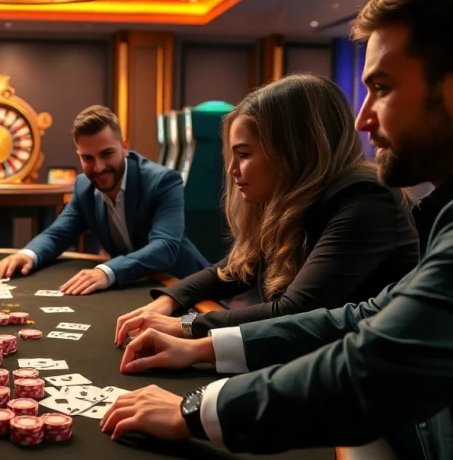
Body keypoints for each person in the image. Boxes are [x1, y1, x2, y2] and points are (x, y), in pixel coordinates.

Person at [100, 0, 453, 460]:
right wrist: (201, 345)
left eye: (380, 88)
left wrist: (195, 410)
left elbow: (371, 369)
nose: (362, 119)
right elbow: (361, 318)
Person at [115, 74, 418, 343]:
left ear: (294, 152)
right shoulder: (302, 200)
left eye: (244, 154)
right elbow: (238, 269)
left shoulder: (364, 199)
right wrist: (170, 299)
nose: (233, 170)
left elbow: (294, 311)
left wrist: (186, 324)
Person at [0, 105, 208, 295]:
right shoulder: (84, 186)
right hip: (139, 287)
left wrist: (107, 271)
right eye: (87, 158)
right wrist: (28, 254)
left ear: (125, 146)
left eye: (107, 154)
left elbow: (165, 247)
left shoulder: (162, 181)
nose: (99, 167)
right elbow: (58, 234)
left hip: (188, 287)